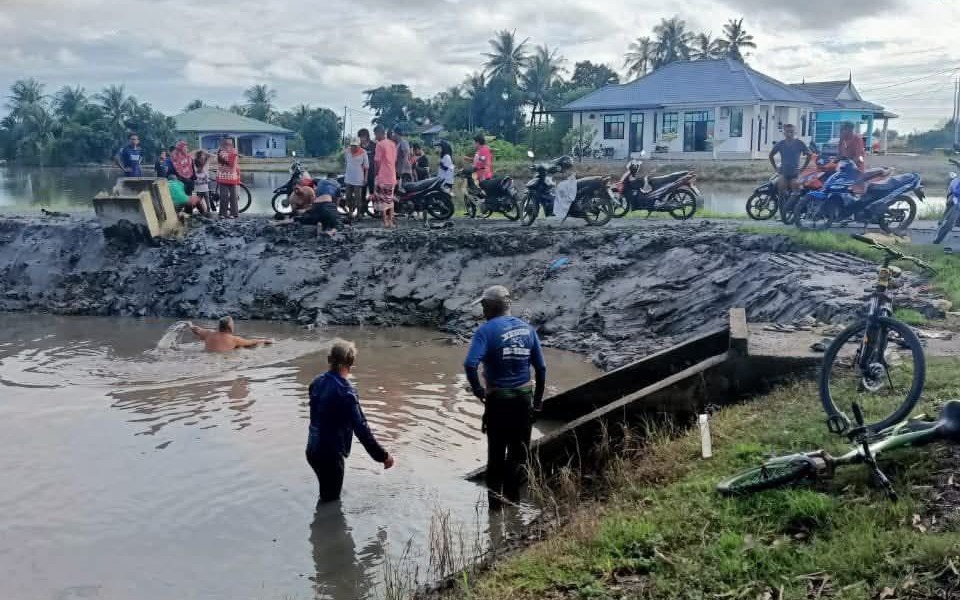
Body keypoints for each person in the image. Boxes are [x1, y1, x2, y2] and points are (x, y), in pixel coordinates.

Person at [464, 285, 546, 507]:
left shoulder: (486, 331)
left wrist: (479, 392)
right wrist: (537, 404)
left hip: (498, 402)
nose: (481, 309)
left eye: (483, 305)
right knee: (518, 455)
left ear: (490, 307)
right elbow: (541, 368)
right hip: (523, 400)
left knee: (496, 457)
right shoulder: (528, 330)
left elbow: (470, 365)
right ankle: (514, 507)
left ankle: (495, 511)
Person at [306, 339, 394, 502]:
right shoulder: (347, 393)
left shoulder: (316, 382)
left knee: (326, 493)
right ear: (351, 363)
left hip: (312, 450)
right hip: (330, 455)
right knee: (330, 503)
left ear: (329, 360)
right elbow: (362, 430)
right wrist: (383, 456)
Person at [187, 316, 273, 352]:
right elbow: (251, 342)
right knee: (239, 348)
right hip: (221, 360)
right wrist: (266, 340)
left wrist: (190, 325)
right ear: (230, 327)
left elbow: (196, 330)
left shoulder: (208, 333)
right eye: (233, 324)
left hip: (205, 357)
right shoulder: (234, 339)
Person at [768, 124, 811, 194]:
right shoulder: (780, 144)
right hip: (783, 173)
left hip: (795, 174)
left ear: (795, 132)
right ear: (784, 133)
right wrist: (775, 168)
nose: (789, 134)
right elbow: (771, 155)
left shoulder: (799, 143)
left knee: (796, 193)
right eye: (787, 131)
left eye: (791, 131)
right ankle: (781, 204)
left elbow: (809, 155)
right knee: (781, 191)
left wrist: (803, 168)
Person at [373, 125, 398, 228]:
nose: (375, 137)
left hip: (383, 175)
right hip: (392, 175)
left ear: (379, 133)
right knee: (390, 199)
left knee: (382, 199)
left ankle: (385, 222)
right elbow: (395, 160)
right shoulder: (392, 144)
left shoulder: (379, 144)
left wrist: (376, 173)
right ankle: (391, 221)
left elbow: (377, 161)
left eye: (375, 134)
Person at [344, 138, 368, 220]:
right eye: (352, 146)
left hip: (358, 178)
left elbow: (366, 167)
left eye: (355, 146)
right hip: (349, 177)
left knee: (358, 197)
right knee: (348, 196)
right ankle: (350, 212)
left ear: (358, 146)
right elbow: (346, 162)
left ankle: (359, 214)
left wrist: (365, 178)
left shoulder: (363, 152)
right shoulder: (347, 151)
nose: (353, 147)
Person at [217, 137, 241, 218]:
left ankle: (234, 213)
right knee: (223, 196)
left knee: (233, 196)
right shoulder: (220, 152)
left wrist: (238, 175)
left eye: (230, 143)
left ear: (232, 144)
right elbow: (222, 161)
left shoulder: (235, 151)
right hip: (223, 176)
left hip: (233, 176)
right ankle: (223, 213)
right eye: (226, 143)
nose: (228, 144)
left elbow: (233, 163)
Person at [358, 128, 377, 207]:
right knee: (363, 192)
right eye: (360, 137)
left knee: (373, 192)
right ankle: (363, 209)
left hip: (372, 172)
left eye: (362, 137)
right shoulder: (359, 147)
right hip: (362, 173)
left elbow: (377, 159)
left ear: (367, 136)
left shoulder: (374, 145)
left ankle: (375, 209)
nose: (361, 139)